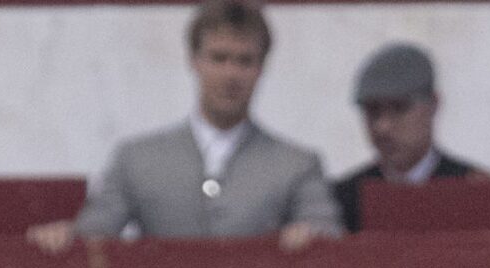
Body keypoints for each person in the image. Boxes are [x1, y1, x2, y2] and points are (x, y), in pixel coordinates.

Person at [30, 1, 340, 254]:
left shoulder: (297, 164)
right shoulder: (137, 159)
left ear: (261, 68)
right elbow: (95, 232)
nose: (231, 74)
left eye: (244, 61)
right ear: (195, 60)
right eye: (219, 58)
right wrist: (65, 236)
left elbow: (327, 230)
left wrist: (310, 234)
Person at [333, 43, 490, 235]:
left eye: (399, 109)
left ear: (433, 104)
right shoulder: (341, 201)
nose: (383, 127)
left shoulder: (477, 193)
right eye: (372, 111)